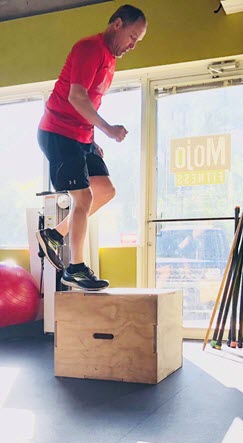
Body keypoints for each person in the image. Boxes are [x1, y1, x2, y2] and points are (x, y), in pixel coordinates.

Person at [36, 4, 147, 290]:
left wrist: (93, 140)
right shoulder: (90, 48)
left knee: (106, 190)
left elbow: (88, 105)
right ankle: (75, 268)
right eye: (133, 37)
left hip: (82, 136)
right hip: (59, 133)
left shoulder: (110, 60)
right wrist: (108, 129)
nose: (133, 45)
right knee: (83, 198)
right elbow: (76, 97)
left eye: (138, 41)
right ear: (118, 24)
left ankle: (54, 235)